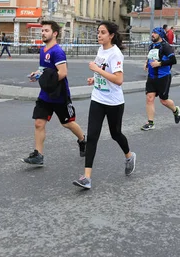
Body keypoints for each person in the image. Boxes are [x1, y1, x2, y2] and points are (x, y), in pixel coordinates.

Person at [72, 22, 135, 190]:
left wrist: (97, 71)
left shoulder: (115, 54)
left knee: (116, 134)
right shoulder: (101, 50)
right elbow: (103, 71)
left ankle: (129, 156)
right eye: (98, 32)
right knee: (92, 137)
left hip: (114, 102)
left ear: (111, 35)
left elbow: (119, 80)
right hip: (98, 98)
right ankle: (87, 178)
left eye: (103, 32)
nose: (99, 35)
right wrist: (95, 78)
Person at [23, 20, 86, 165]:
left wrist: (47, 81)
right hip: (45, 94)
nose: (43, 33)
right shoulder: (42, 50)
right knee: (39, 123)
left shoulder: (57, 51)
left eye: (46, 30)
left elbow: (63, 73)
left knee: (67, 123)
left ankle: (83, 140)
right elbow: (43, 70)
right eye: (42, 30)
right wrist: (37, 75)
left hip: (59, 94)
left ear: (55, 33)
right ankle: (38, 155)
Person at [141, 27, 180, 130]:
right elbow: (150, 57)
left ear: (160, 34)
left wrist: (160, 63)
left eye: (154, 33)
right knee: (149, 98)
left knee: (163, 101)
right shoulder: (152, 46)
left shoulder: (166, 46)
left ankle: (175, 110)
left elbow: (173, 60)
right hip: (151, 76)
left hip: (163, 77)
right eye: (152, 32)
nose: (152, 34)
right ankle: (150, 123)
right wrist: (146, 63)